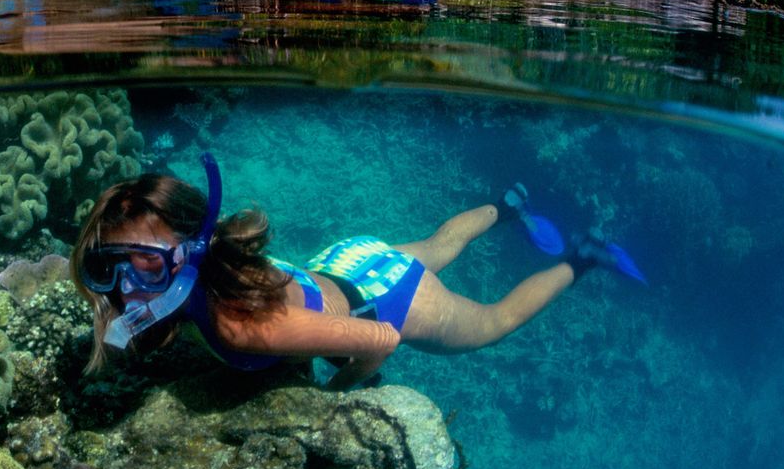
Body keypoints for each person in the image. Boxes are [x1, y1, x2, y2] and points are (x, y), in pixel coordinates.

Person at [71, 154, 642, 387]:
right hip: (346, 260)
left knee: (495, 321)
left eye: (144, 264)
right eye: (107, 268)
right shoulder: (221, 260)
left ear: (191, 249)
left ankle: (581, 258)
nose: (125, 288)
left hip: (388, 299)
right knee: (441, 243)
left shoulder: (242, 326)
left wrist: (337, 395)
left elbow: (381, 339)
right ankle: (507, 205)